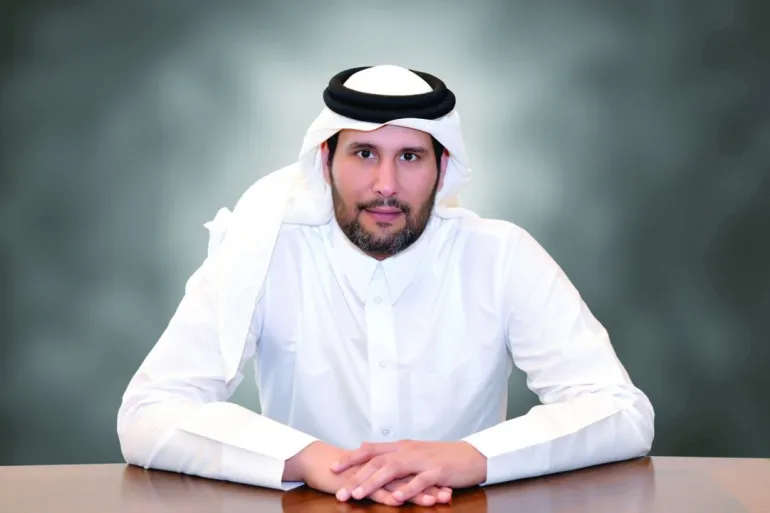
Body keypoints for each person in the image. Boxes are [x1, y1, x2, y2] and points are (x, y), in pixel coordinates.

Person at [117, 64, 655, 508]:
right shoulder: (265, 251)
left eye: (410, 157)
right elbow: (149, 411)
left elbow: (621, 412)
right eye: (364, 154)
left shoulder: (502, 256)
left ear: (443, 167)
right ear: (326, 160)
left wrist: (471, 457)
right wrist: (311, 460)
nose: (386, 186)